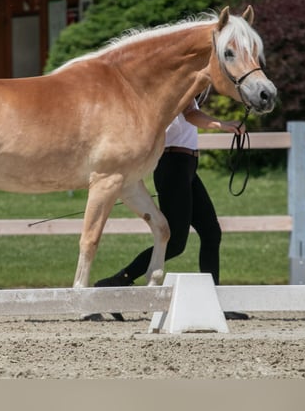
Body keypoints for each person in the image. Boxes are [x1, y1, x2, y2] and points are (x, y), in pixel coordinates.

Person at [89, 97, 249, 321]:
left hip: (187, 165)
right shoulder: (179, 86)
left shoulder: (190, 87)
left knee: (211, 233)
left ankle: (213, 303)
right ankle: (115, 281)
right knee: (175, 243)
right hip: (173, 164)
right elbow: (191, 114)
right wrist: (222, 125)